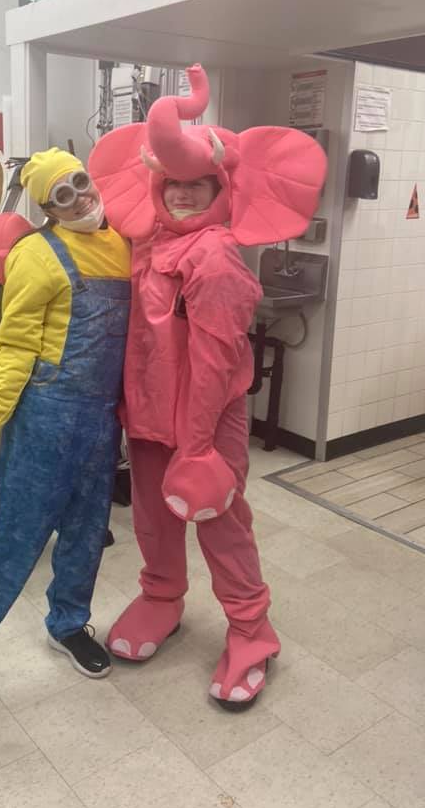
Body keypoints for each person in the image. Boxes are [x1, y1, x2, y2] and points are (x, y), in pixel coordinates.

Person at [89, 64, 326, 710]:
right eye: (174, 183)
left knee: (220, 523)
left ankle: (252, 630)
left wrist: (196, 447)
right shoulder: (149, 245)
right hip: (148, 417)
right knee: (152, 518)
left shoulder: (215, 256)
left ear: (222, 188)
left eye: (198, 184)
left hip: (205, 426)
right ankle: (162, 596)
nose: (184, 195)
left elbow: (217, 362)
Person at [0, 148, 131, 708]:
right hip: (44, 418)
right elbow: (12, 351)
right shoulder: (35, 255)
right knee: (18, 541)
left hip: (99, 420)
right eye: (61, 195)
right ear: (47, 209)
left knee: (87, 532)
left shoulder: (121, 246)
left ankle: (68, 623)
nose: (79, 198)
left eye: (80, 183)